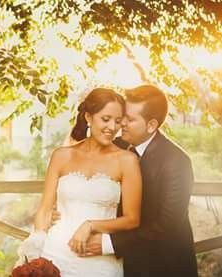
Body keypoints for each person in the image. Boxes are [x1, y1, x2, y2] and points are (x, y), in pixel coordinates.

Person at [55, 85, 198, 277]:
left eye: (129, 119)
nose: (120, 123)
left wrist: (109, 243)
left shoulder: (176, 162)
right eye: (123, 116)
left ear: (151, 125)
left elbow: (166, 226)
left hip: (163, 266)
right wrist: (57, 210)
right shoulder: (117, 145)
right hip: (123, 265)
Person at [15, 88, 142, 276]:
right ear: (89, 117)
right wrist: (36, 250)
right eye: (105, 119)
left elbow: (132, 220)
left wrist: (90, 225)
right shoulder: (61, 156)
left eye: (117, 121)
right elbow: (44, 209)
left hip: (97, 257)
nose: (112, 127)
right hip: (55, 252)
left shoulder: (127, 160)